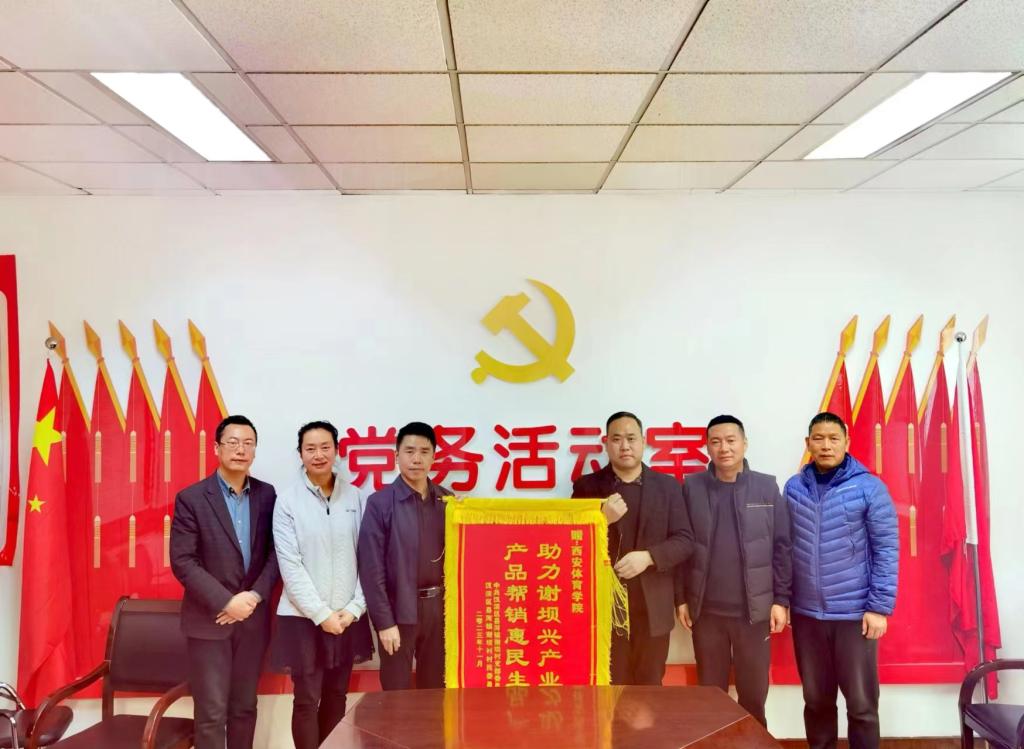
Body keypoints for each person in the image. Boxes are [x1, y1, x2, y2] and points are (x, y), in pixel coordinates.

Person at [785, 411, 898, 749]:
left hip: (854, 615)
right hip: (807, 615)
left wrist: (879, 607)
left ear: (847, 442)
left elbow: (886, 548)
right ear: (807, 443)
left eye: (834, 438)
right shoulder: (793, 488)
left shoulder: (869, 488)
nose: (826, 445)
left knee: (861, 706)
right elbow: (784, 547)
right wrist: (783, 599)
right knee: (816, 702)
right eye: (818, 438)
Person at [169, 415, 279, 749]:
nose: (240, 450)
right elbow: (183, 561)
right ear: (216, 448)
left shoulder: (267, 495)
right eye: (232, 442)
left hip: (253, 621)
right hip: (209, 621)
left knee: (245, 707)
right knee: (211, 714)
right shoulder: (192, 498)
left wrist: (254, 597)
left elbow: (276, 554)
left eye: (248, 443)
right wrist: (227, 602)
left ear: (255, 451)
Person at [675, 414, 791, 727]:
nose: (724, 448)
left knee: (753, 698)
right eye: (715, 442)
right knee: (710, 699)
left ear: (744, 443)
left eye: (730, 440)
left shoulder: (766, 486)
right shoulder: (692, 487)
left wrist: (781, 600)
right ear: (707, 447)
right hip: (706, 614)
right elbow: (682, 546)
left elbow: (782, 546)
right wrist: (680, 598)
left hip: (753, 614)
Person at [571, 410, 694, 685]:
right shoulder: (586, 487)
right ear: (606, 443)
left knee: (650, 688)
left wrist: (649, 557)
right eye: (616, 439)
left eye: (631, 438)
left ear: (643, 441)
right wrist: (601, 520)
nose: (624, 446)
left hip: (653, 610)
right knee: (609, 689)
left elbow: (685, 540)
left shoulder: (668, 487)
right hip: (604, 610)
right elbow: (572, 545)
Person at [271, 421, 374, 748]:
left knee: (337, 694)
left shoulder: (356, 497)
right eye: (310, 448)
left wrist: (354, 609)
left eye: (325, 447)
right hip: (303, 619)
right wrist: (320, 614)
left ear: (337, 450)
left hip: (346, 617)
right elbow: (290, 565)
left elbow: (369, 559)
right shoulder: (287, 502)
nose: (318, 454)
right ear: (300, 454)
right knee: (306, 699)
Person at [357, 422, 453, 690]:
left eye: (424, 451)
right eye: (409, 451)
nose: (416, 459)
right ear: (396, 455)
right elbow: (371, 570)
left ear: (434, 456)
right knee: (396, 693)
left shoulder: (448, 501)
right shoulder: (380, 503)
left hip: (439, 612)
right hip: (398, 611)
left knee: (435, 691)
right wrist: (384, 623)